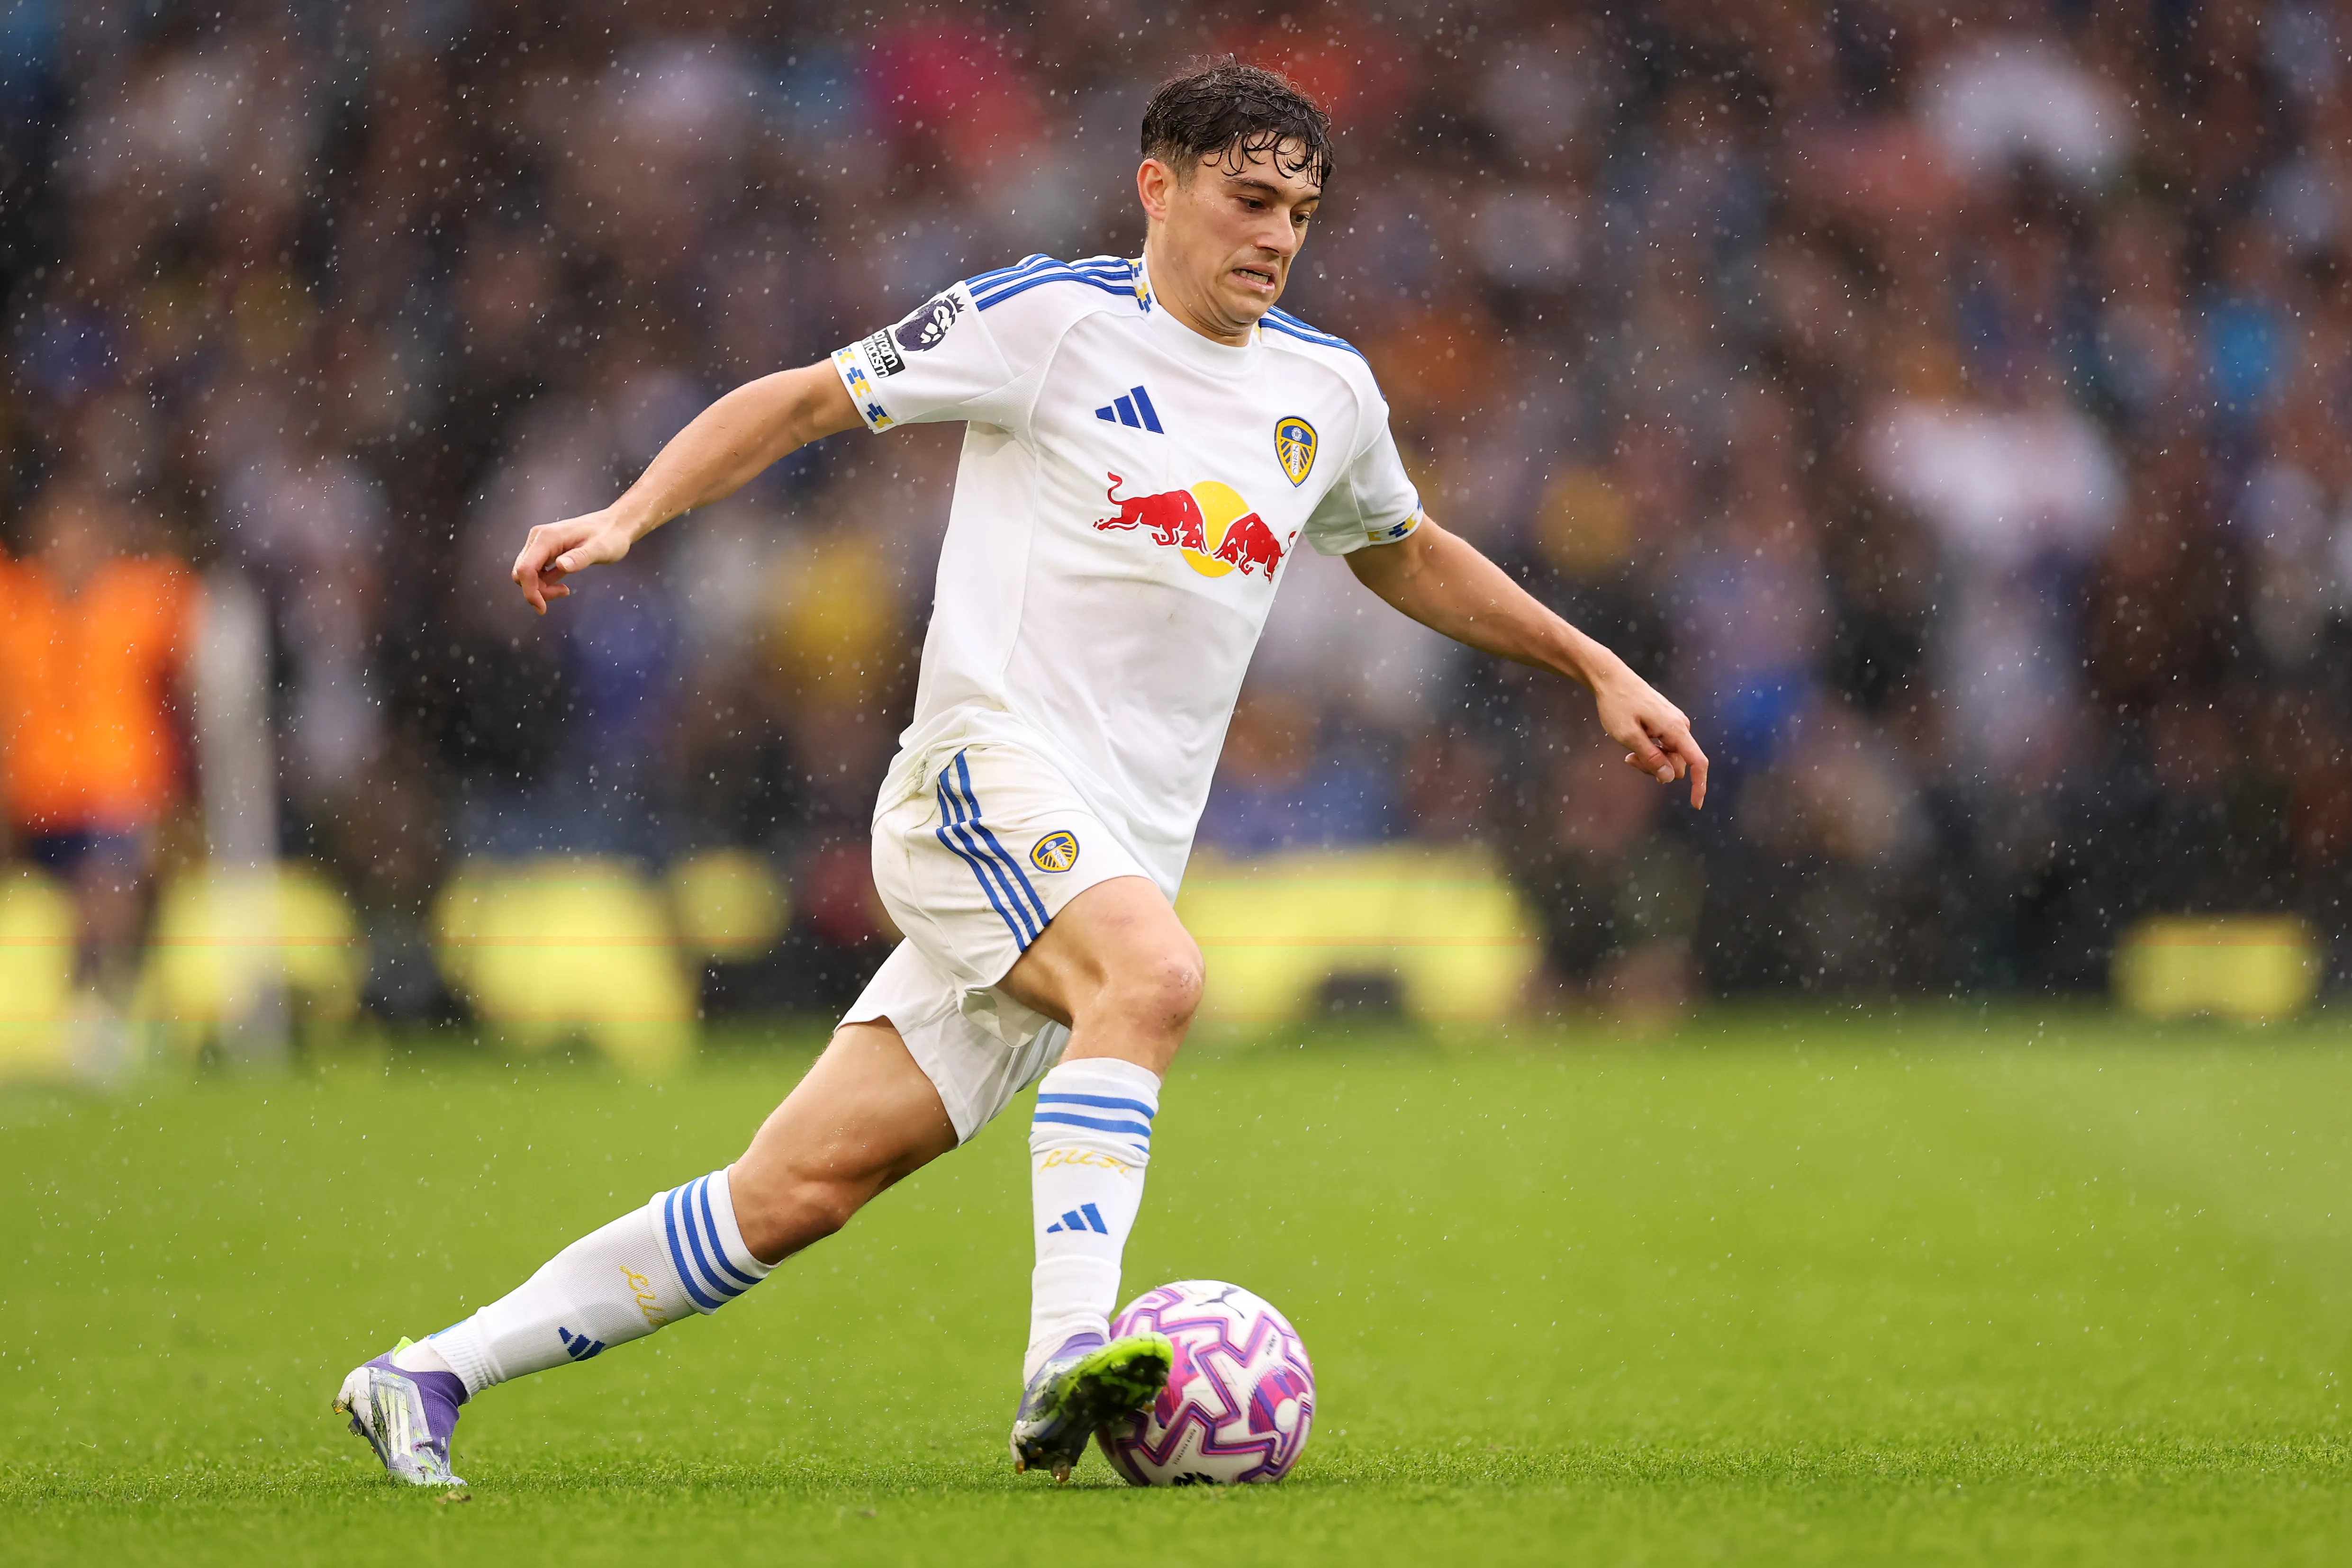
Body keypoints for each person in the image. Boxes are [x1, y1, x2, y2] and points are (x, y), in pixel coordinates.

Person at [335, 61, 1708, 1488]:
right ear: (1155, 188)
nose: (1278, 235)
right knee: (1158, 979)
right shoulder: (1047, 322)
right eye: (1249, 198)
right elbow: (810, 400)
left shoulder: (1324, 389)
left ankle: (427, 1371)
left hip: (1098, 855)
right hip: (977, 787)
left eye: (1300, 209)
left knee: (793, 1191)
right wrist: (629, 514)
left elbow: (1401, 549)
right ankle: (1066, 1353)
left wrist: (1591, 664)